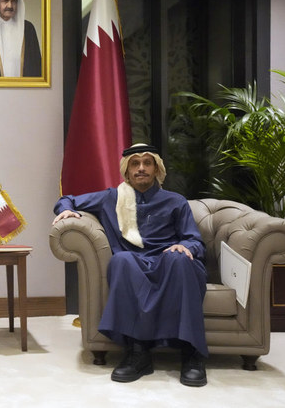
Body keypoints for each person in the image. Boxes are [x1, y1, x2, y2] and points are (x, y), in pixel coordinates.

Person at [52, 143, 208, 387]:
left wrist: (186, 247)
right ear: (127, 171)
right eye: (135, 163)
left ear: (157, 168)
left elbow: (193, 239)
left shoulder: (175, 201)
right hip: (133, 262)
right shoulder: (111, 198)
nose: (141, 168)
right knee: (121, 260)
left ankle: (191, 353)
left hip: (169, 263)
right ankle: (137, 351)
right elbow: (67, 199)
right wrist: (66, 211)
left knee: (179, 258)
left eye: (148, 163)